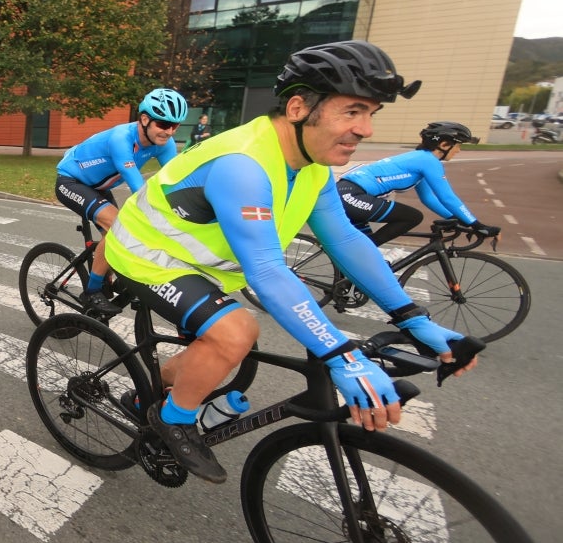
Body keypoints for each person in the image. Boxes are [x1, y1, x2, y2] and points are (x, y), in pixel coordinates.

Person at [102, 40, 476, 484]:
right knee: (236, 331)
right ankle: (175, 418)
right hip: (147, 252)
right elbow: (266, 269)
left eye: (372, 114)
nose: (366, 129)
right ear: (298, 107)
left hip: (201, 264)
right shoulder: (243, 164)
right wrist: (342, 354)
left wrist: (413, 317)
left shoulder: (312, 165)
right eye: (352, 112)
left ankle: (150, 394)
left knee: (229, 345)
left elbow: (345, 239)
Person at [54, 87, 187, 316]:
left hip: (99, 187)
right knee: (118, 227)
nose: (170, 132)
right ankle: (92, 291)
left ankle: (109, 274)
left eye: (175, 126)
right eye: (164, 125)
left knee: (124, 232)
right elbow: (137, 187)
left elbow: (176, 180)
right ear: (144, 119)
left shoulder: (164, 144)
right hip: (71, 181)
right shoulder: (121, 139)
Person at [337, 121, 499, 246]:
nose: (459, 150)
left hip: (346, 194)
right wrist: (476, 224)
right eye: (458, 145)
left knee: (361, 246)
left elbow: (428, 198)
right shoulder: (428, 161)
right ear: (444, 145)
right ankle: (365, 254)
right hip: (352, 196)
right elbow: (448, 197)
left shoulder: (420, 160)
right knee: (412, 217)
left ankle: (349, 273)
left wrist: (456, 219)